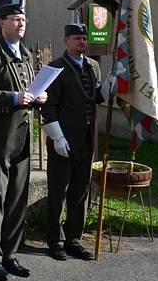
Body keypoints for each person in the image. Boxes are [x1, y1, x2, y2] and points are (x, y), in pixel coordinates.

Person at [0, 3, 47, 281]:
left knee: (17, 199)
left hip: (22, 140)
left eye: (24, 19)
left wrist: (39, 98)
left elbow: (29, 90)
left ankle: (10, 254)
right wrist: (12, 98)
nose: (21, 23)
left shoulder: (26, 57)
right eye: (16, 19)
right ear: (1, 23)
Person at [42, 22, 109, 262]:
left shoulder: (92, 67)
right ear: (66, 41)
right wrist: (56, 136)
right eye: (77, 38)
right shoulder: (55, 68)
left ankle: (74, 238)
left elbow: (94, 98)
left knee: (80, 191)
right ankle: (54, 240)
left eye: (84, 38)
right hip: (64, 139)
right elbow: (47, 106)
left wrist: (109, 86)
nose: (82, 42)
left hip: (87, 140)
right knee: (58, 191)